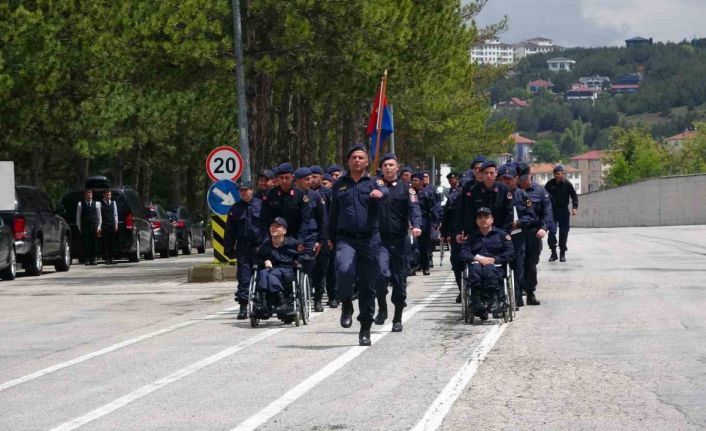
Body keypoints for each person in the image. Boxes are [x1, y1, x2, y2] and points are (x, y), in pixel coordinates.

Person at [328, 144, 388, 346]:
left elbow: (386, 194)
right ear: (348, 161)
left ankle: (365, 329)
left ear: (367, 161)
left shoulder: (374, 183)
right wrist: (329, 237)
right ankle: (346, 303)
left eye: (361, 157)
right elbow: (333, 214)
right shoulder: (339, 185)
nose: (357, 160)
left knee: (367, 286)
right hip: (346, 239)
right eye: (353, 157)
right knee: (344, 270)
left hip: (370, 240)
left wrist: (381, 195)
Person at [375, 153, 422, 332]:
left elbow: (414, 208)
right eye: (385, 165)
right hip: (380, 240)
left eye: (391, 165)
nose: (388, 168)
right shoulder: (374, 186)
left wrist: (416, 225)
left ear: (397, 168)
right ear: (381, 168)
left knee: (399, 281)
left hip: (400, 240)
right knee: (380, 274)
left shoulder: (406, 189)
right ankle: (382, 308)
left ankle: (397, 318)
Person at [460, 207, 514, 321]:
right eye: (480, 218)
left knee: (489, 269)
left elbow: (510, 252)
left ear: (492, 220)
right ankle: (477, 301)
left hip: (496, 267)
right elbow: (463, 252)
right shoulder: (471, 236)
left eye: (486, 217)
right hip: (477, 266)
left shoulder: (501, 235)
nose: (483, 220)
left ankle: (494, 300)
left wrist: (495, 259)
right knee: (475, 270)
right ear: (476, 221)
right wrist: (475, 258)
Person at [224, 181, 266, 319]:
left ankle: (261, 303)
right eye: (241, 190)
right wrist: (228, 248)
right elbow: (230, 231)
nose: (243, 192)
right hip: (243, 248)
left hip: (260, 247)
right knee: (243, 278)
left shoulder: (261, 205)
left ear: (252, 190)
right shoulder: (235, 209)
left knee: (262, 276)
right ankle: (243, 306)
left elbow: (267, 227)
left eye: (245, 190)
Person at [498, 164, 536, 309]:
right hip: (501, 236)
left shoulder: (522, 195)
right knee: (500, 266)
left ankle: (517, 296)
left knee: (517, 267)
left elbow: (530, 215)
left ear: (516, 179)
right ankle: (501, 297)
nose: (507, 182)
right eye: (504, 179)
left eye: (510, 179)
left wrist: (519, 223)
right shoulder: (497, 194)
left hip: (517, 236)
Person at [517, 162, 552, 306]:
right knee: (518, 262)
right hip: (518, 231)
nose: (522, 181)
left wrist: (544, 228)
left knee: (531, 263)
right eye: (520, 178)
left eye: (524, 177)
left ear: (530, 175)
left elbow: (547, 212)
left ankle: (530, 291)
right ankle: (519, 291)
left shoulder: (540, 191)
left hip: (534, 232)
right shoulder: (513, 192)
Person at [455, 160, 513, 243]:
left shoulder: (504, 190)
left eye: (491, 173)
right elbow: (466, 212)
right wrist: (461, 231)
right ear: (482, 174)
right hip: (477, 235)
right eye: (486, 173)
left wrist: (504, 234)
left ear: (496, 173)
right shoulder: (473, 190)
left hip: (499, 234)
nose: (489, 175)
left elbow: (509, 215)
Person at [294, 167, 327, 312]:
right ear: (298, 181)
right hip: (296, 237)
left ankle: (318, 299)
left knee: (316, 268)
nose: (311, 181)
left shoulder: (315, 196)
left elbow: (323, 219)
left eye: (311, 178)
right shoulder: (293, 195)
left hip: (312, 237)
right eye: (307, 179)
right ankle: (298, 296)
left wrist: (321, 240)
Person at [254, 217, 303, 316]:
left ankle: (283, 302)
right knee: (263, 273)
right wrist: (264, 261)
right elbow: (257, 258)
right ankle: (263, 303)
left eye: (277, 226)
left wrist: (296, 263)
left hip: (287, 270)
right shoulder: (265, 245)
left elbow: (302, 256)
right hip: (270, 269)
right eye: (272, 226)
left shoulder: (293, 243)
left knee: (272, 274)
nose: (273, 228)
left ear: (284, 230)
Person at [261, 163, 312, 244]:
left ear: (292, 177)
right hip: (275, 239)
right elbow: (265, 219)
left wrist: (300, 240)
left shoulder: (300, 194)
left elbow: (305, 220)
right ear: (277, 178)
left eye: (287, 178)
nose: (284, 180)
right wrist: (268, 239)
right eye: (281, 178)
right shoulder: (270, 194)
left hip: (295, 238)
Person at [544, 164, 578, 262]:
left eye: (560, 174)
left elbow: (574, 196)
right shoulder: (549, 184)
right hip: (552, 212)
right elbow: (544, 196)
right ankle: (553, 253)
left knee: (563, 233)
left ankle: (562, 253)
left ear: (563, 174)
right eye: (556, 174)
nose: (558, 176)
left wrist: (574, 207)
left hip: (563, 211)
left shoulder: (567, 184)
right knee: (552, 232)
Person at [441, 172, 464, 302]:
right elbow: (447, 217)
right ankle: (462, 289)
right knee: (456, 263)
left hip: (475, 234)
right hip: (457, 234)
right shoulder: (454, 197)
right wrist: (445, 234)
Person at [411, 172, 438, 276]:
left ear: (421, 181)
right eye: (412, 180)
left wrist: (435, 223)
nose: (413, 182)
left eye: (416, 180)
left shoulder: (427, 193)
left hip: (424, 220)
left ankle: (425, 266)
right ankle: (413, 265)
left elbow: (433, 208)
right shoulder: (409, 192)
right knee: (413, 245)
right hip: (411, 222)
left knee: (424, 246)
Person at [76, 189, 102, 266]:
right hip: (85, 227)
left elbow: (99, 217)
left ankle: (93, 258)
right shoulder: (80, 204)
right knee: (86, 243)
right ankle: (87, 259)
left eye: (90, 194)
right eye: (87, 194)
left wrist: (99, 227)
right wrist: (79, 228)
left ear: (92, 195)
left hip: (94, 226)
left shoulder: (97, 204)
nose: (89, 195)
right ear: (85, 195)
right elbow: (78, 217)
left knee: (94, 243)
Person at [100, 190, 118, 265]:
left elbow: (115, 214)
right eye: (107, 194)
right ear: (103, 195)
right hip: (104, 225)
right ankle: (106, 258)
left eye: (109, 194)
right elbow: (99, 215)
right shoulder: (100, 204)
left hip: (112, 225)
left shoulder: (113, 203)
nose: (108, 196)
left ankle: (111, 258)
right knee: (105, 243)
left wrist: (116, 224)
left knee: (112, 242)